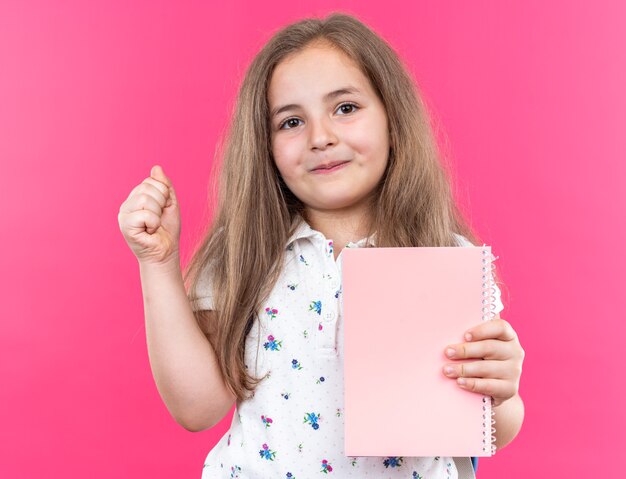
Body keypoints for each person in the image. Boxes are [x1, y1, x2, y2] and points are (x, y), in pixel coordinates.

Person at [118, 12, 525, 479]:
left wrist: (502, 393)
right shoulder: (244, 253)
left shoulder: (446, 258)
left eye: (346, 108)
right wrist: (159, 263)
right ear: (265, 146)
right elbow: (197, 408)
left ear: (392, 116)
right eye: (291, 121)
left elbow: (488, 428)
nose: (321, 137)